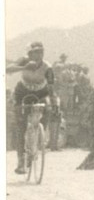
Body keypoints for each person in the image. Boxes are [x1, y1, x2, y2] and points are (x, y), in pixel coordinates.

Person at [7, 41, 56, 174]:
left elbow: (51, 86)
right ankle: (21, 161)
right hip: (23, 92)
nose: (39, 55)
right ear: (30, 53)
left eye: (41, 52)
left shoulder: (47, 67)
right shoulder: (24, 60)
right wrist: (24, 67)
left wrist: (53, 103)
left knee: (47, 110)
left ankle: (39, 140)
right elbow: (7, 69)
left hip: (40, 92)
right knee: (21, 125)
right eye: (36, 52)